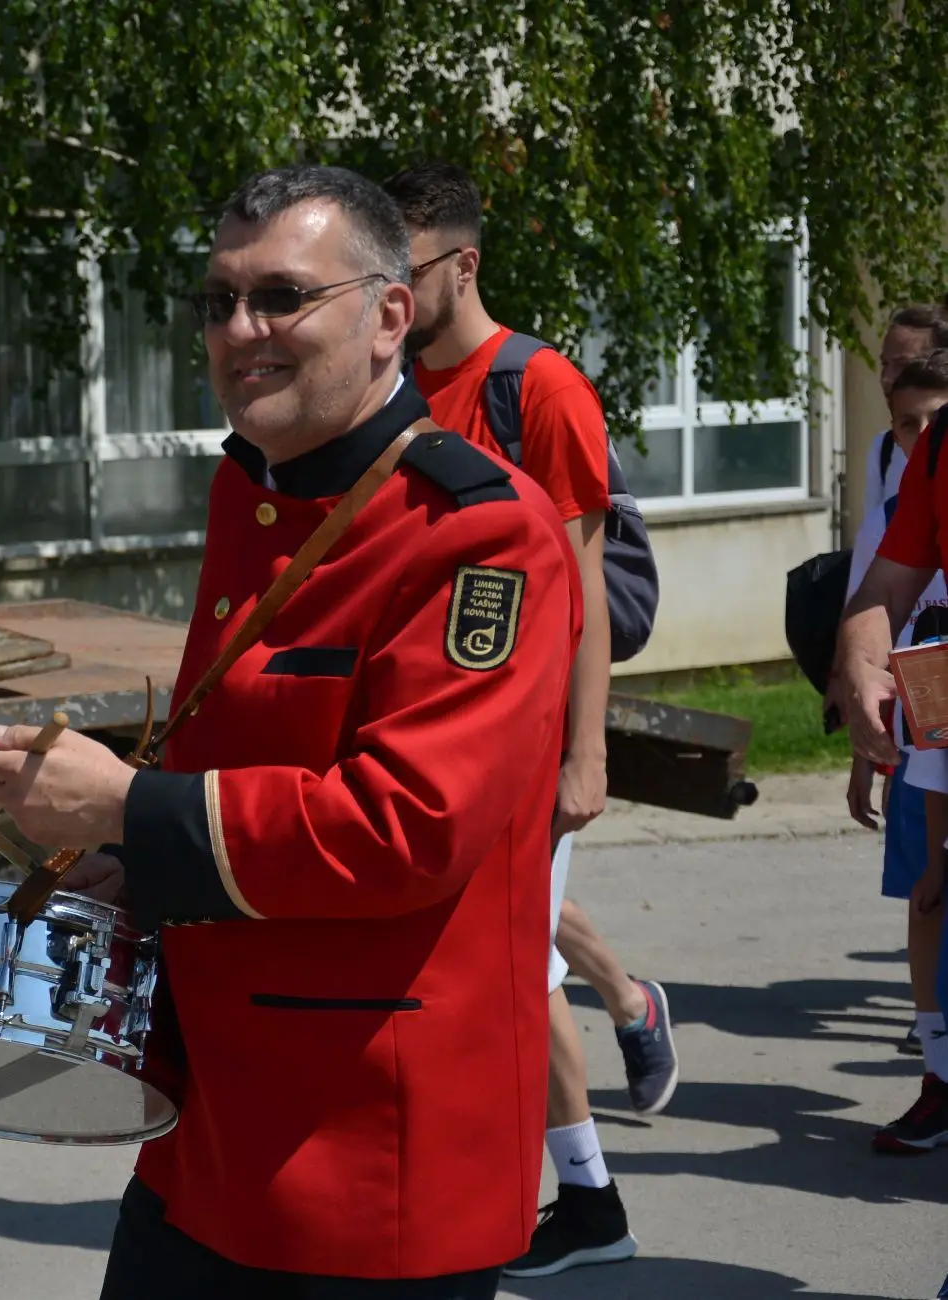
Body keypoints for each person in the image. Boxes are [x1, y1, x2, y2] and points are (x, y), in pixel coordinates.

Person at [0, 164, 579, 1299]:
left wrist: (131, 806)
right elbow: (251, 757)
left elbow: (409, 827)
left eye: (282, 297)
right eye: (219, 300)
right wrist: (135, 863)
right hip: (207, 1132)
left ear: (389, 315)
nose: (240, 329)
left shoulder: (479, 533)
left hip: (370, 1157)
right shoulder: (256, 491)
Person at [383, 159, 670, 1277]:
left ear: (463, 265)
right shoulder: (393, 386)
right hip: (442, 728)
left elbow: (584, 587)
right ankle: (581, 1175)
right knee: (506, 959)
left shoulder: (540, 389)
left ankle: (586, 1203)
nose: (390, 296)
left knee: (519, 968)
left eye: (407, 271)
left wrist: (585, 754)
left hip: (532, 735)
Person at [842, 350, 948, 1155]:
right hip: (935, 692)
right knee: (930, 893)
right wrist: (859, 666)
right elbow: (882, 589)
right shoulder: (939, 451)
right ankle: (940, 1074)